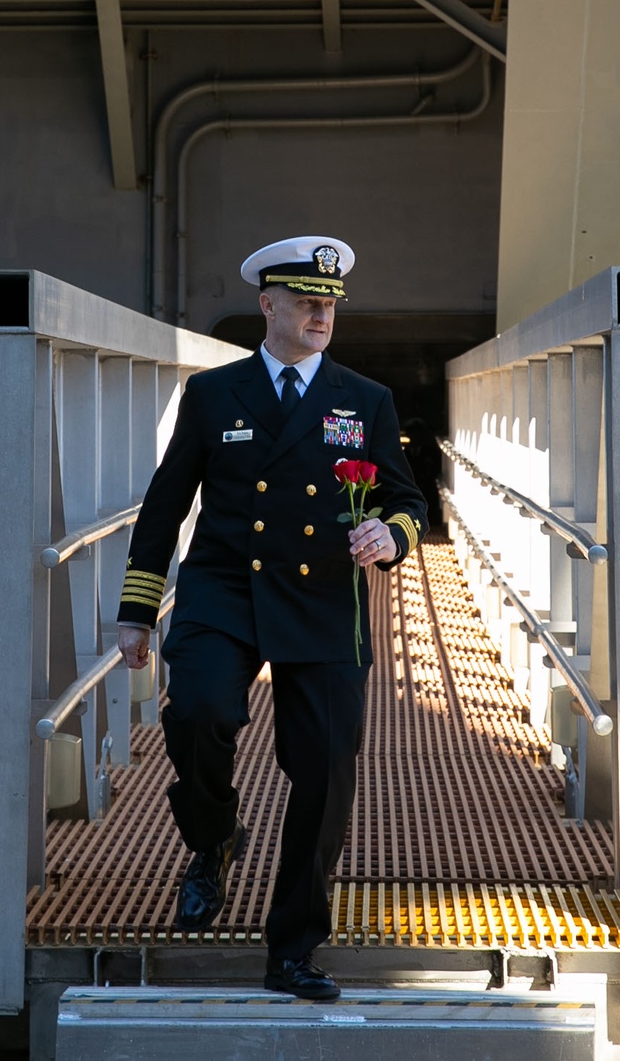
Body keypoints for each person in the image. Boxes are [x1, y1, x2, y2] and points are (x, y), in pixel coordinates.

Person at [116, 235, 428, 1001]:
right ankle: (214, 838)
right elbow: (166, 504)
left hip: (326, 599)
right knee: (196, 711)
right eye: (307, 302)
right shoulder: (214, 395)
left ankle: (292, 948)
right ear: (269, 305)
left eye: (329, 304)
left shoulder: (367, 399)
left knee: (323, 772)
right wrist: (138, 609)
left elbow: (408, 501)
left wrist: (389, 535)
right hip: (225, 586)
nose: (322, 314)